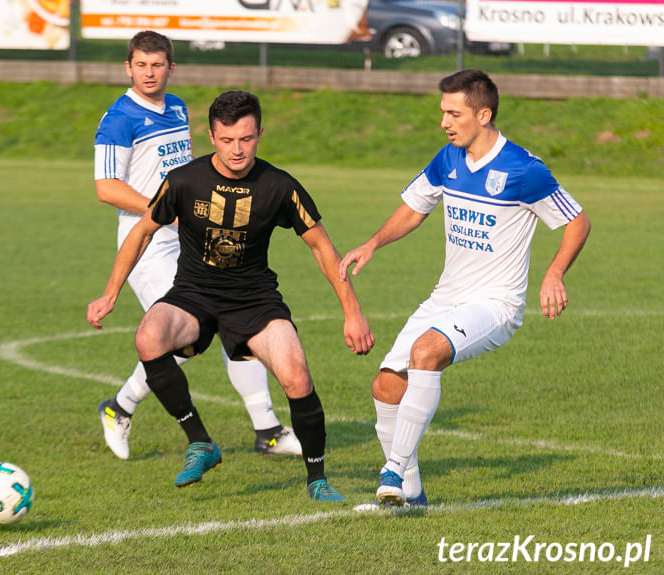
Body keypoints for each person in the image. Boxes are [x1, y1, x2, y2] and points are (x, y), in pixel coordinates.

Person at [87, 90, 374, 500]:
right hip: (193, 294)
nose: (236, 150)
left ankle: (317, 481)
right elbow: (142, 231)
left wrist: (353, 313)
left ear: (259, 133)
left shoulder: (279, 186)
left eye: (246, 139)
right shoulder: (185, 180)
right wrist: (110, 292)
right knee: (148, 336)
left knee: (296, 375)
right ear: (211, 136)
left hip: (255, 301)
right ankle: (200, 442)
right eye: (226, 140)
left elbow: (322, 247)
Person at [340, 69, 591, 508]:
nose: (445, 122)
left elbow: (577, 221)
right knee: (385, 386)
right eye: (443, 113)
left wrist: (554, 273)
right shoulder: (448, 158)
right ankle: (412, 493)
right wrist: (373, 243)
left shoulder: (523, 169)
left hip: (496, 303)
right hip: (447, 296)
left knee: (426, 352)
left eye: (453, 114)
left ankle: (394, 469)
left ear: (484, 114)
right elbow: (414, 208)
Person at [92, 31, 301, 461]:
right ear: (128, 68)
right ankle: (120, 407)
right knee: (195, 331)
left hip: (190, 238)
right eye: (141, 65)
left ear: (172, 67)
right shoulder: (119, 118)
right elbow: (106, 188)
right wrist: (165, 208)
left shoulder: (177, 107)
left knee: (235, 324)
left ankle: (267, 431)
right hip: (148, 243)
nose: (150, 73)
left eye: (157, 65)